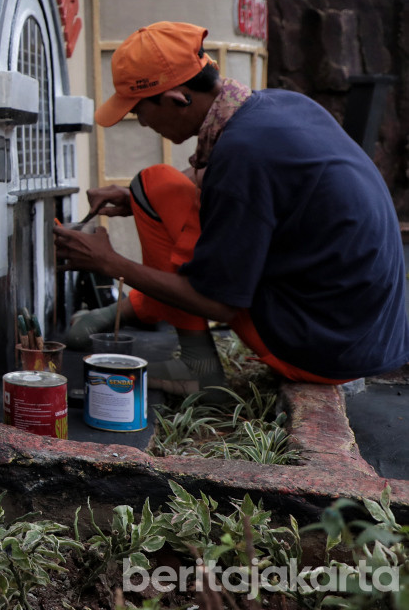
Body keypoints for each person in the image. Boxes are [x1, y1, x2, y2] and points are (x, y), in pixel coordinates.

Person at [53, 21, 409, 396]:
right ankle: (142, 307)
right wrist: (136, 200)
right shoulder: (274, 106)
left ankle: (198, 370)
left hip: (322, 350)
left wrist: (109, 263)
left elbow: (217, 304)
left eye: (139, 110)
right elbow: (211, 176)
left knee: (177, 227)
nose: (141, 122)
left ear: (177, 98)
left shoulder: (242, 159)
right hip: (362, 330)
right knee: (153, 184)